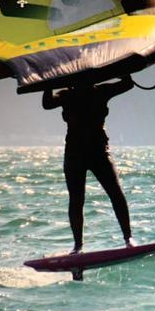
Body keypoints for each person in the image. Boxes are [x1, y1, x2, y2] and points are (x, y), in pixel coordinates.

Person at [42, 76, 137, 254]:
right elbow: (47, 103)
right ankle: (78, 246)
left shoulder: (101, 91)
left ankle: (128, 238)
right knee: (76, 199)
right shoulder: (67, 95)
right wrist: (48, 83)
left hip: (98, 151)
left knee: (115, 192)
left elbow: (127, 84)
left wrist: (121, 68)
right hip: (75, 153)